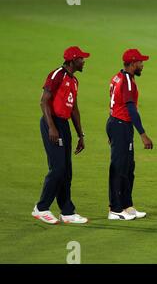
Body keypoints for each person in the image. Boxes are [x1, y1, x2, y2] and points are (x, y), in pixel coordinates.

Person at [32, 46, 90, 224]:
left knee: (67, 171)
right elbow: (44, 101)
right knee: (57, 169)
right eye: (81, 58)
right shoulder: (57, 74)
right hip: (52, 123)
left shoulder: (74, 81)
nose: (84, 61)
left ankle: (67, 212)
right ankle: (41, 208)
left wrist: (81, 135)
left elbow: (74, 109)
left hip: (63, 125)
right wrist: (51, 127)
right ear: (72, 60)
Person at [107, 49, 153, 220]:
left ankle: (127, 205)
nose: (142, 65)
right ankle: (115, 209)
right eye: (141, 62)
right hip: (121, 125)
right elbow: (130, 108)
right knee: (119, 167)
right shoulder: (126, 81)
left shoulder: (120, 76)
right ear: (133, 63)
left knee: (128, 167)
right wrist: (142, 133)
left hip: (117, 123)